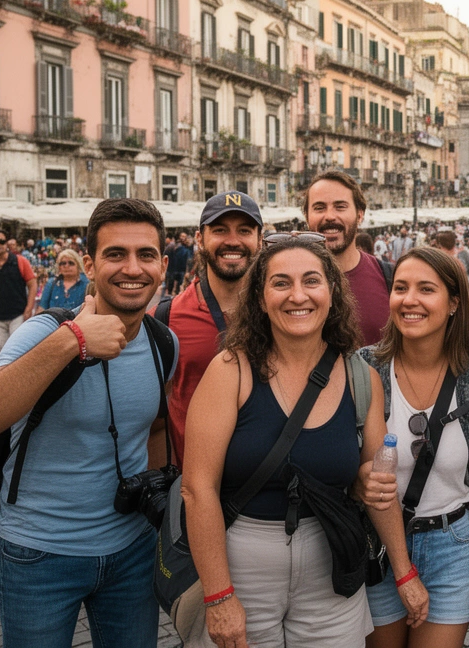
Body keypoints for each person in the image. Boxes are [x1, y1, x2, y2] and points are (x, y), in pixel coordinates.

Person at [0, 198, 176, 648]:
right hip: (38, 554)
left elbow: (153, 428)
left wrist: (151, 502)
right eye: (116, 254)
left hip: (131, 551)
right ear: (91, 265)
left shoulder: (161, 343)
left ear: (163, 266)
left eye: (145, 254)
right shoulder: (43, 333)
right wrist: (72, 341)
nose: (132, 268)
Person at [181, 235, 375, 648]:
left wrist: (371, 482)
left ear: (332, 291)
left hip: (332, 564)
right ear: (261, 297)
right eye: (281, 283)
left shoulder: (361, 377)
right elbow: (197, 489)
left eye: (311, 281)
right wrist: (219, 595)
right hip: (241, 563)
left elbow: (369, 479)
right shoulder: (230, 369)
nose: (298, 296)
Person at [356, 247, 469, 648]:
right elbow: (349, 469)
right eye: (401, 288)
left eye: (427, 289)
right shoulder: (363, 370)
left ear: (454, 302)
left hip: (451, 546)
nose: (410, 300)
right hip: (376, 547)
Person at [162, 191, 264, 465]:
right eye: (220, 230)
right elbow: (151, 421)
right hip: (191, 480)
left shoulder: (279, 314)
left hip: (265, 491)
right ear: (199, 239)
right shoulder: (164, 318)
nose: (232, 241)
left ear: (260, 241)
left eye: (244, 230)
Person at [305, 170, 393, 347]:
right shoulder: (288, 285)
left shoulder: (390, 278)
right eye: (319, 208)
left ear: (360, 215)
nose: (329, 216)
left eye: (340, 207)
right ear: (307, 217)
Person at [166, 231, 195, 296]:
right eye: (182, 236)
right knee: (171, 284)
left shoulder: (188, 247)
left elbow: (190, 259)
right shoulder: (175, 245)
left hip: (182, 269)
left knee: (179, 286)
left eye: (184, 236)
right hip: (174, 268)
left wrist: (188, 271)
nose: (183, 238)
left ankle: (176, 296)